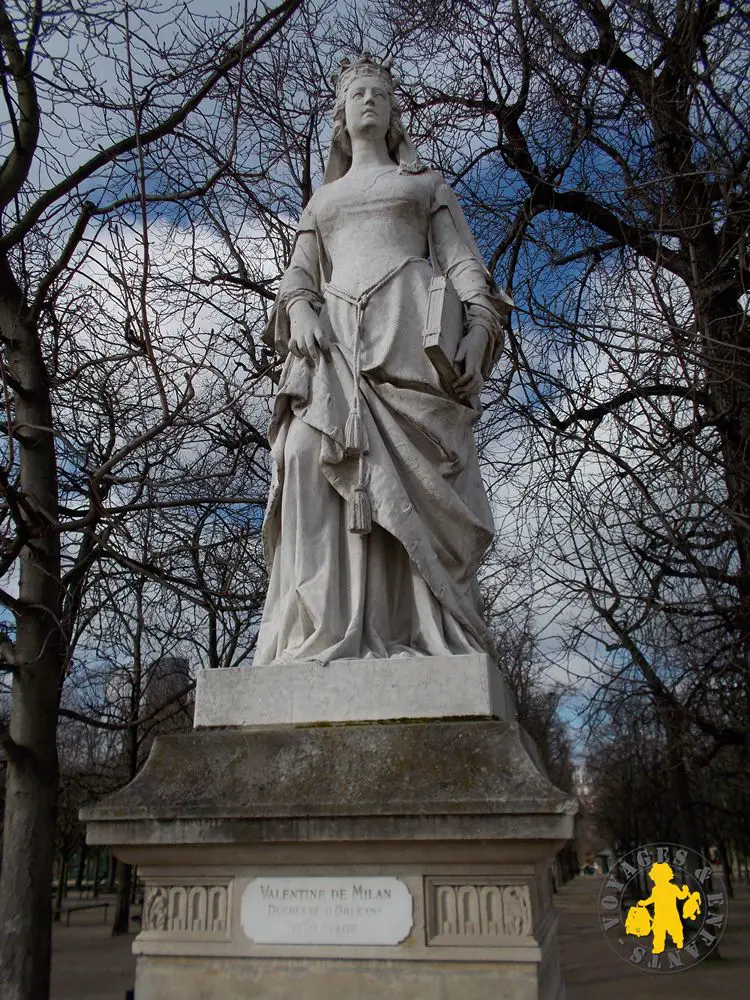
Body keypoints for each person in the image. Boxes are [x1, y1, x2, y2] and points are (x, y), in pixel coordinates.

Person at [255, 53, 512, 665]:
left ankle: (412, 629)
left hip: (408, 345)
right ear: (341, 116)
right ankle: (320, 626)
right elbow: (298, 273)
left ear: (394, 111)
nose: (369, 100)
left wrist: (479, 328)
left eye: (379, 93)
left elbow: (463, 265)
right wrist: (301, 308)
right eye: (358, 94)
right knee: (302, 455)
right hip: (335, 345)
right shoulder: (323, 201)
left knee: (411, 488)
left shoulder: (424, 185)